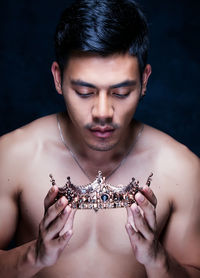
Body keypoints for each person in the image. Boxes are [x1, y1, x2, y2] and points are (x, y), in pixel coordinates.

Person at [0, 0, 199, 277]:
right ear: (58, 79)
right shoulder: (12, 156)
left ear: (144, 80)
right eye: (84, 92)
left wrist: (158, 260)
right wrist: (34, 256)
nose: (103, 113)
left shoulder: (182, 169)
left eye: (120, 93)